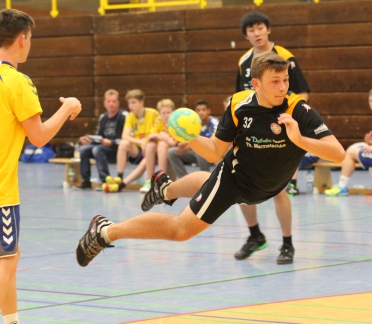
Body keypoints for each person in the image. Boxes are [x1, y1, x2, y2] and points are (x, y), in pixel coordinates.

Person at [75, 52, 345, 272]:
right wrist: (190, 136)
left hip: (266, 188)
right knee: (180, 230)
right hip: (235, 181)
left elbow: (338, 154)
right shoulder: (240, 106)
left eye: (285, 80)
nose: (283, 87)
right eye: (275, 81)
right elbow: (216, 151)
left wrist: (300, 139)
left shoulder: (298, 110)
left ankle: (165, 189)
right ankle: (106, 231)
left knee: (206, 181)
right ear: (256, 84)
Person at [0, 9, 82, 324]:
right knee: (6, 259)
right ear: (22, 40)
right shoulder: (17, 81)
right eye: (30, 39)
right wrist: (67, 108)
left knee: (11, 255)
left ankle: (12, 321)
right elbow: (39, 137)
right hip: (3, 192)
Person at [234, 11, 312, 264]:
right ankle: (255, 235)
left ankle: (287, 244)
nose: (256, 33)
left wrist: (288, 122)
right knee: (240, 185)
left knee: (278, 188)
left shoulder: (284, 57)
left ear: (268, 30)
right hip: (249, 132)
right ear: (246, 35)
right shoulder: (243, 62)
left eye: (260, 28)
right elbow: (239, 98)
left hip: (279, 130)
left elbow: (302, 94)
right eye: (251, 30)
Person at [102, 89, 158, 193]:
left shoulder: (153, 114)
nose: (130, 106)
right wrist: (140, 142)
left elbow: (156, 133)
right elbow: (125, 136)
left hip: (152, 151)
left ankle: (124, 185)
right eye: (129, 103)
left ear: (141, 103)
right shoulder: (130, 116)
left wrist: (145, 142)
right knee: (124, 143)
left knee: (149, 150)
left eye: (133, 102)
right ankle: (119, 176)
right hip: (139, 150)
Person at [75, 89, 128, 190]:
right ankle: (86, 181)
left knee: (97, 149)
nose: (111, 104)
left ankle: (105, 181)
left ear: (118, 103)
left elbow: (126, 138)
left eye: (114, 101)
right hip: (103, 148)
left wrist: (111, 142)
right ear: (104, 103)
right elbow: (99, 136)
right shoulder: (103, 117)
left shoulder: (123, 116)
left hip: (118, 150)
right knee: (84, 149)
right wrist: (89, 141)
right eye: (109, 101)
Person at [167, 100, 219, 179]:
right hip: (193, 152)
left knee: (201, 152)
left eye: (203, 110)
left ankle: (205, 181)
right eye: (198, 110)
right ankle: (184, 180)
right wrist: (183, 144)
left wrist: (187, 147)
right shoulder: (191, 122)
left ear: (209, 111)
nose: (201, 112)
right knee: (171, 152)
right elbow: (188, 138)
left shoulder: (215, 123)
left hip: (212, 153)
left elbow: (212, 143)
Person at [140, 99, 176, 193]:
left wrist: (162, 137)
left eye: (168, 112)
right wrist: (161, 135)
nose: (166, 115)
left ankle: (161, 181)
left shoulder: (175, 123)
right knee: (151, 145)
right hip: (160, 150)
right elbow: (150, 136)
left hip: (171, 150)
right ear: (160, 114)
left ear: (173, 112)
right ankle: (149, 180)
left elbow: (173, 143)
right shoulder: (159, 121)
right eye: (163, 113)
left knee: (162, 144)